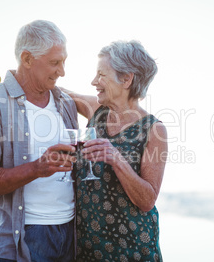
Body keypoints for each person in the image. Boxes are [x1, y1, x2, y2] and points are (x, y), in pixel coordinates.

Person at [0, 20, 78, 262]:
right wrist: (37, 169)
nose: (62, 71)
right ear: (27, 59)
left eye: (64, 61)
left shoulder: (66, 102)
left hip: (72, 233)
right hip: (24, 238)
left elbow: (116, 108)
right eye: (54, 63)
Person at [63, 40, 167, 261]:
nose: (94, 82)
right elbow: (61, 93)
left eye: (101, 75)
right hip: (87, 250)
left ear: (127, 79)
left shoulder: (153, 130)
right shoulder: (97, 110)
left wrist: (117, 160)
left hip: (132, 250)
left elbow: (147, 200)